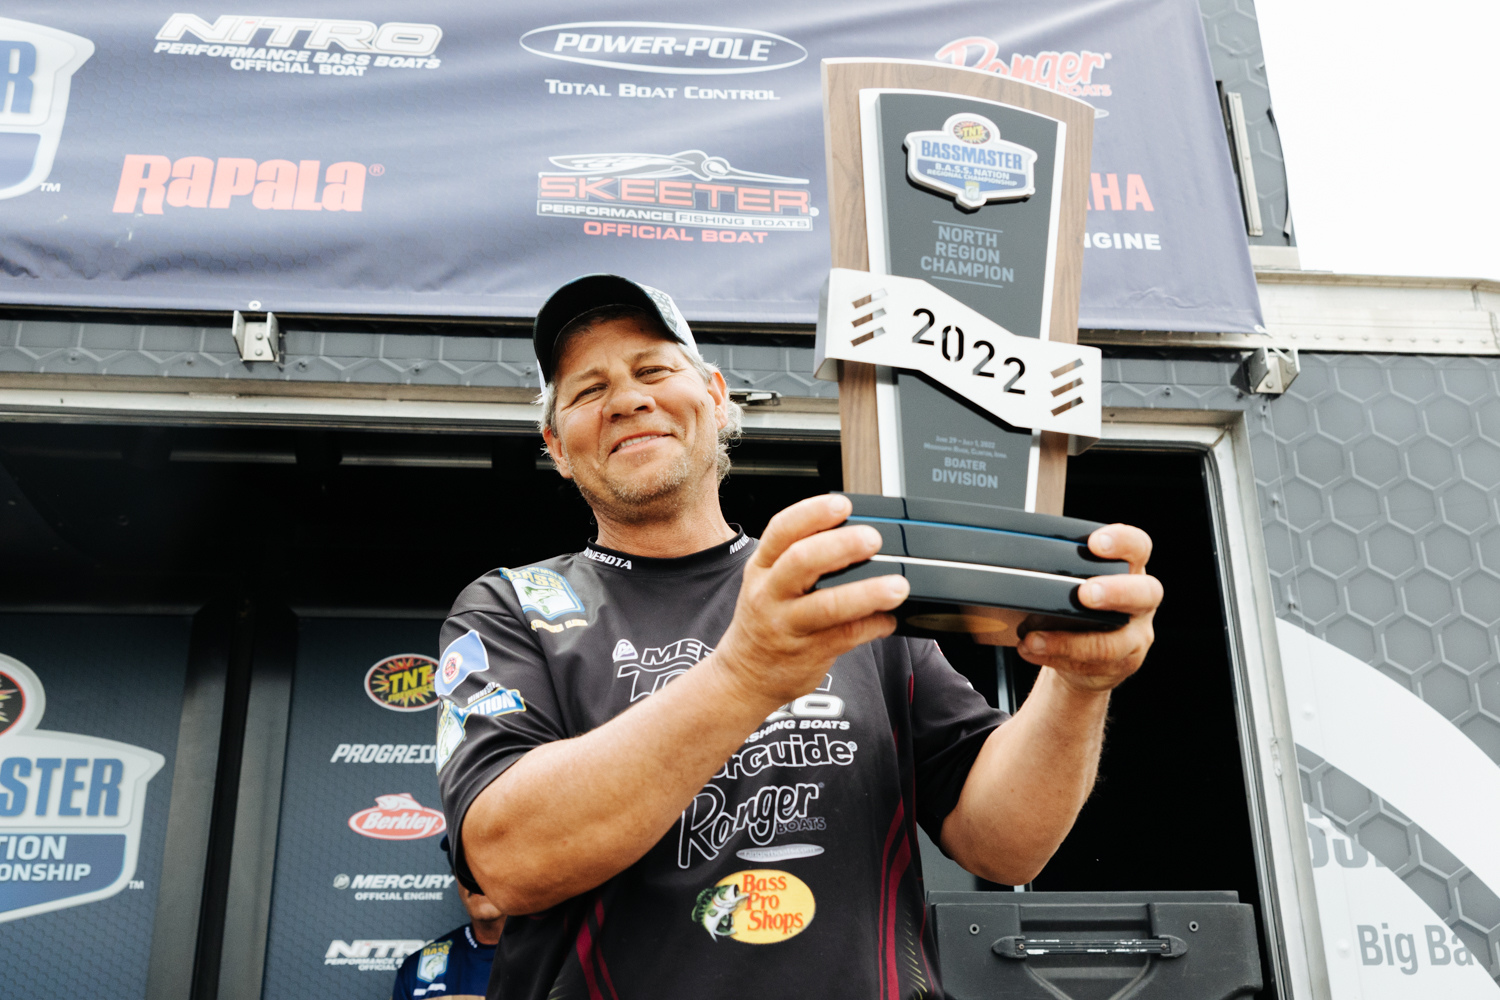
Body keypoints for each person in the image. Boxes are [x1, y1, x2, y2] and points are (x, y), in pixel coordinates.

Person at [434, 274, 1163, 999]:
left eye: (653, 370)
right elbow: (509, 861)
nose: (627, 399)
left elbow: (1002, 845)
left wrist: (1077, 686)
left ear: (715, 397)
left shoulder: (843, 586)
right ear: (557, 447)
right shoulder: (511, 608)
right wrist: (744, 676)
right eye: (588, 391)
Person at [391, 837, 502, 1000]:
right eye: (466, 866)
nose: (477, 879)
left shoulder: (543, 959)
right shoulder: (417, 969)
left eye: (491, 864)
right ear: (455, 875)